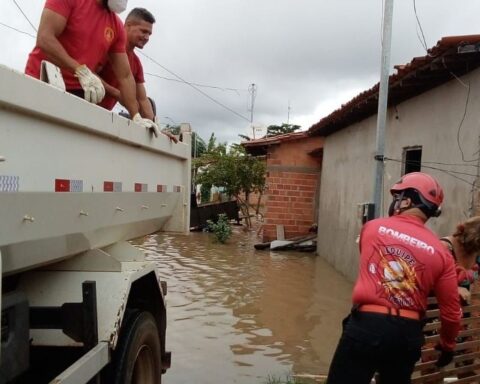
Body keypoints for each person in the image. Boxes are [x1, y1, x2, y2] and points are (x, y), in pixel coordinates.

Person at [326, 172, 462, 384]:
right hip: (407, 335)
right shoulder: (442, 252)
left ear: (407, 200)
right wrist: (447, 346)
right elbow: (452, 313)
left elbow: (368, 261)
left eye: (397, 197)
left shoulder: (372, 228)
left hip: (366, 327)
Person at [24, 0, 159, 137]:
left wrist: (136, 115)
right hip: (42, 79)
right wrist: (80, 70)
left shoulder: (116, 25)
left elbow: (125, 75)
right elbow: (45, 38)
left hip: (79, 94)